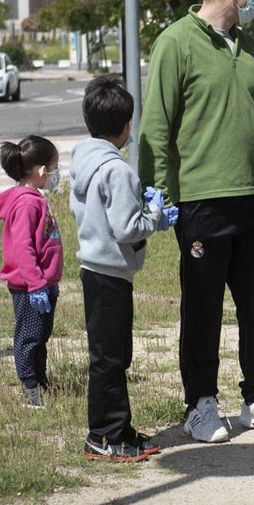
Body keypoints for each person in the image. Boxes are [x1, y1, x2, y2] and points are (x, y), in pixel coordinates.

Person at [138, 0, 254, 443]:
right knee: (204, 307)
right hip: (202, 202)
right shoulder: (175, 43)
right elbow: (156, 126)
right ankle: (202, 404)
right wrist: (154, 194)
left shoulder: (247, 45)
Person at [70, 75, 179, 462]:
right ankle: (103, 435)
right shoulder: (118, 170)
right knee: (111, 358)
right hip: (111, 272)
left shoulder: (83, 160)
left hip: (94, 268)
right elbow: (127, 226)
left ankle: (119, 426)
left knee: (112, 353)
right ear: (126, 125)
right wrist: (155, 215)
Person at [0, 135, 63, 408]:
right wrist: (35, 284)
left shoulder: (33, 198)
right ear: (42, 170)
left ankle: (41, 382)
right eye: (54, 167)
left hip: (42, 284)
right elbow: (23, 248)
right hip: (30, 287)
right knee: (29, 336)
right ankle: (31, 386)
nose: (56, 174)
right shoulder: (27, 203)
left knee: (41, 336)